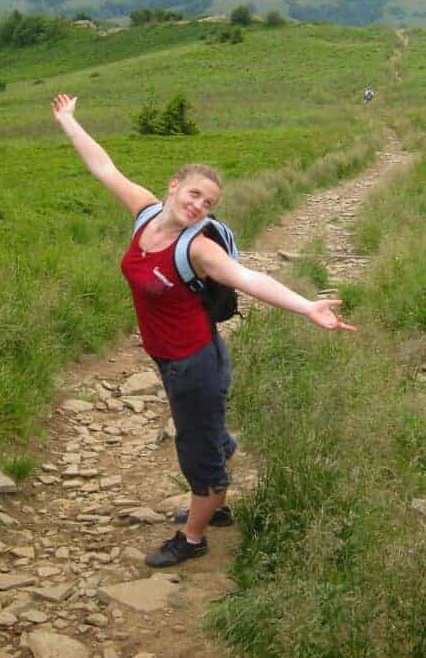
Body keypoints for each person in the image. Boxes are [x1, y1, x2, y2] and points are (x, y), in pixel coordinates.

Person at [52, 93, 357, 567]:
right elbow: (104, 167)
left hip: (193, 362)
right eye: (194, 194)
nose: (199, 205)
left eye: (209, 202)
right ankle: (217, 502)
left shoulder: (199, 250)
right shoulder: (146, 213)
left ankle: (194, 536)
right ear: (174, 187)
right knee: (207, 434)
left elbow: (250, 279)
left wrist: (306, 308)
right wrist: (70, 122)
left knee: (197, 450)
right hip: (169, 355)